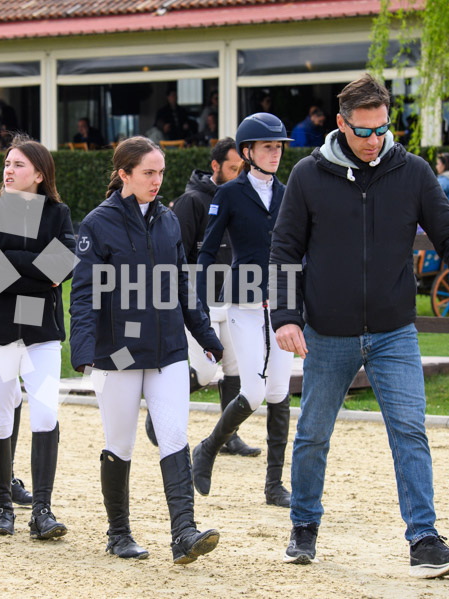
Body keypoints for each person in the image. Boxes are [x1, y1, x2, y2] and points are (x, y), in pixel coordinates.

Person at [270, 74, 449, 577]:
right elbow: (284, 249)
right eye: (363, 131)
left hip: (394, 331)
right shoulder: (308, 175)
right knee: (313, 434)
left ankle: (424, 541)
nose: (374, 140)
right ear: (341, 123)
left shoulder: (412, 172)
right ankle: (304, 525)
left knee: (410, 430)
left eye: (381, 129)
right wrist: (285, 316)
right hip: (328, 332)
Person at [70, 136, 223, 563]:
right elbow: (84, 293)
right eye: (148, 173)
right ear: (124, 174)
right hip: (117, 354)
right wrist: (83, 348)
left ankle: (184, 533)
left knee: (174, 435)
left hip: (167, 348)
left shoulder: (169, 220)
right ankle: (118, 533)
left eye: (161, 173)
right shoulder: (97, 224)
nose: (157, 181)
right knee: (120, 443)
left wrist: (205, 335)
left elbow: (182, 284)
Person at [0, 136, 74, 539]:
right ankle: (2, 507)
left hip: (41, 332)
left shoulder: (57, 213)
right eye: (7, 164)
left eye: (18, 165)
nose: (8, 170)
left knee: (45, 413)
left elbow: (62, 268)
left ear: (39, 174)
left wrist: (8, 261)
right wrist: (39, 272)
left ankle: (42, 510)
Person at [190, 113, 295, 508]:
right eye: (268, 147)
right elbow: (207, 250)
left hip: (283, 300)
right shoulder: (230, 194)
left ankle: (274, 485)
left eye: (278, 147)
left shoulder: (289, 193)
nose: (275, 153)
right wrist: (199, 300)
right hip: (244, 303)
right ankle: (207, 448)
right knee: (253, 392)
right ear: (248, 152)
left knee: (280, 392)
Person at [145, 138, 255, 455]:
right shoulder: (191, 201)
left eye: (243, 169)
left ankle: (228, 436)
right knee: (206, 372)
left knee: (235, 369)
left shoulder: (246, 198)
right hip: (199, 301)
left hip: (235, 297)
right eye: (233, 168)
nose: (239, 174)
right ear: (215, 166)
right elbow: (174, 253)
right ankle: (157, 408)